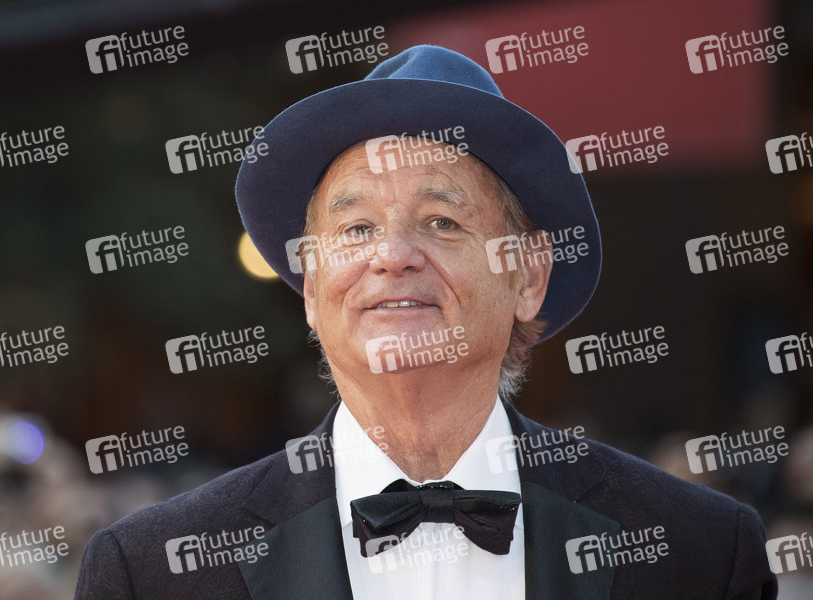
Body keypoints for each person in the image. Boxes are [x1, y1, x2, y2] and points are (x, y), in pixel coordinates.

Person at [74, 45, 777, 599]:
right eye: (355, 228)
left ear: (528, 276)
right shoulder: (151, 572)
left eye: (441, 221)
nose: (391, 256)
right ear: (312, 287)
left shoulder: (700, 552)